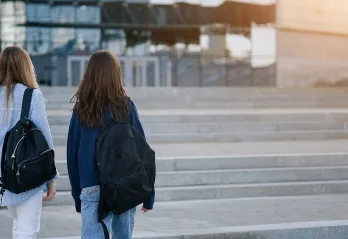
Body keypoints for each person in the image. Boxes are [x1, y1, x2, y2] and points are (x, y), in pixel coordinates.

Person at [67, 50, 155, 239]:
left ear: (89, 74)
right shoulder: (126, 107)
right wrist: (148, 196)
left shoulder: (81, 110)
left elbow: (72, 156)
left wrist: (77, 196)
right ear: (116, 74)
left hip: (91, 186)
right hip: (124, 183)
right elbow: (143, 154)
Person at [0, 46, 58, 238]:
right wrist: (51, 178)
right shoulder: (32, 96)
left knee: (18, 225)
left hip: (2, 176)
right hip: (27, 173)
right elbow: (44, 138)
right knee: (26, 229)